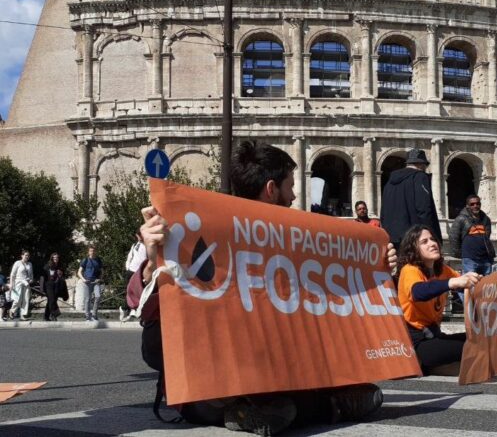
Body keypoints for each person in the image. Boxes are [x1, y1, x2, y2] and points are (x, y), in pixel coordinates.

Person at [134, 141, 397, 435]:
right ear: (271, 189)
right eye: (291, 186)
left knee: (291, 399)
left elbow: (333, 292)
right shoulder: (200, 231)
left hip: (271, 370)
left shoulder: (298, 241)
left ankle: (288, 407)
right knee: (295, 403)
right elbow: (143, 305)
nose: (295, 195)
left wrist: (376, 266)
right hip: (212, 383)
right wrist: (152, 257)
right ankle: (327, 407)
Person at [397, 225, 481, 374]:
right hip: (416, 342)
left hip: (435, 335)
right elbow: (418, 292)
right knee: (472, 347)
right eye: (424, 242)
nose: (432, 243)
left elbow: (464, 284)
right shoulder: (409, 269)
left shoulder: (442, 269)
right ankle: (427, 365)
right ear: (413, 249)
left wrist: (478, 282)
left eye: (432, 239)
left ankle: (444, 366)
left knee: (481, 338)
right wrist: (452, 283)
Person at [381, 148, 442, 250]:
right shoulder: (420, 177)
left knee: (402, 265)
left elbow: (383, 211)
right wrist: (431, 236)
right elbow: (424, 208)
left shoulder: (389, 183)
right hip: (413, 236)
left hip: (392, 236)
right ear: (421, 165)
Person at [449, 194, 495, 277]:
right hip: (469, 258)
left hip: (485, 258)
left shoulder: (486, 219)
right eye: (472, 204)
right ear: (467, 206)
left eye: (478, 203)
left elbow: (487, 238)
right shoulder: (460, 219)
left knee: (486, 285)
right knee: (470, 284)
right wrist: (460, 254)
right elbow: (453, 237)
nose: (475, 206)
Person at [78, 246, 103, 321]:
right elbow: (79, 272)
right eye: (91, 251)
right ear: (88, 252)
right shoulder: (85, 260)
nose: (92, 252)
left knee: (98, 296)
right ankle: (87, 316)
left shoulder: (98, 260)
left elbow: (102, 271)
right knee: (87, 299)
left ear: (95, 251)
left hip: (95, 281)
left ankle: (94, 315)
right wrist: (83, 279)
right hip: (87, 282)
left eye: (93, 251)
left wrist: (100, 279)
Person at [40, 253, 66, 321]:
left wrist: (61, 275)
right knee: (52, 300)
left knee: (51, 301)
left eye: (57, 257)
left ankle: (46, 316)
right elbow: (43, 276)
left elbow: (62, 276)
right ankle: (54, 314)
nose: (55, 259)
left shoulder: (60, 266)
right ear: (52, 258)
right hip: (49, 285)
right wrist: (42, 288)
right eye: (54, 258)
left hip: (57, 285)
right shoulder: (48, 266)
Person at [9, 250, 34, 320]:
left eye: (28, 255)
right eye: (25, 255)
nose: (27, 257)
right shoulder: (17, 263)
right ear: (22, 255)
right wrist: (11, 284)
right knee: (17, 299)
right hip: (18, 282)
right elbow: (12, 274)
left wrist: (31, 279)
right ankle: (12, 310)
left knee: (25, 299)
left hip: (26, 283)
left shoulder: (30, 264)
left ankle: (22, 315)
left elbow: (31, 274)